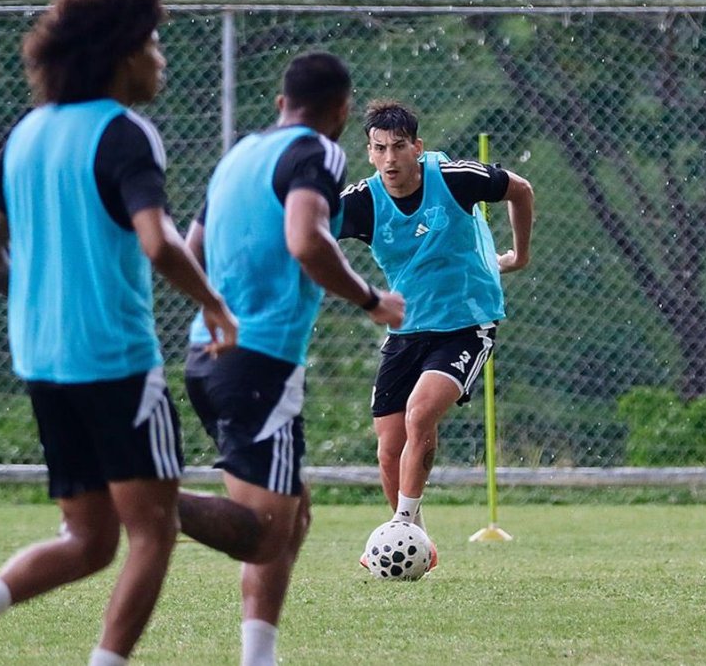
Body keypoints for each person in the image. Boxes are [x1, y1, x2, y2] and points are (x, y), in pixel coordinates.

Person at [0, 0, 237, 665]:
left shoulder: (26, 133)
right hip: (115, 359)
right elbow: (157, 242)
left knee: (90, 537)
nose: (160, 60)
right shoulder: (124, 132)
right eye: (153, 45)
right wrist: (212, 301)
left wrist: (30, 289)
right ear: (122, 56)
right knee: (151, 532)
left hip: (43, 360)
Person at [173, 52, 404, 666]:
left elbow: (191, 246)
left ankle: (259, 657)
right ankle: (147, 500)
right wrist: (372, 299)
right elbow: (307, 240)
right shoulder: (320, 152)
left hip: (208, 352)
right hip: (260, 361)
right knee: (267, 530)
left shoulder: (238, 155)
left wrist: (219, 310)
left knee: (292, 514)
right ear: (342, 111)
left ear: (280, 103)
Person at [339, 99, 535, 566]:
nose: (390, 159)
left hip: (467, 322)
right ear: (369, 152)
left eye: (399, 147)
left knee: (419, 415)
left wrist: (520, 256)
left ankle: (401, 526)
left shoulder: (454, 178)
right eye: (380, 148)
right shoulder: (362, 202)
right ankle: (416, 544)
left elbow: (521, 189)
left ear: (417, 147)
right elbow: (306, 234)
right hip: (407, 329)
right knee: (388, 448)